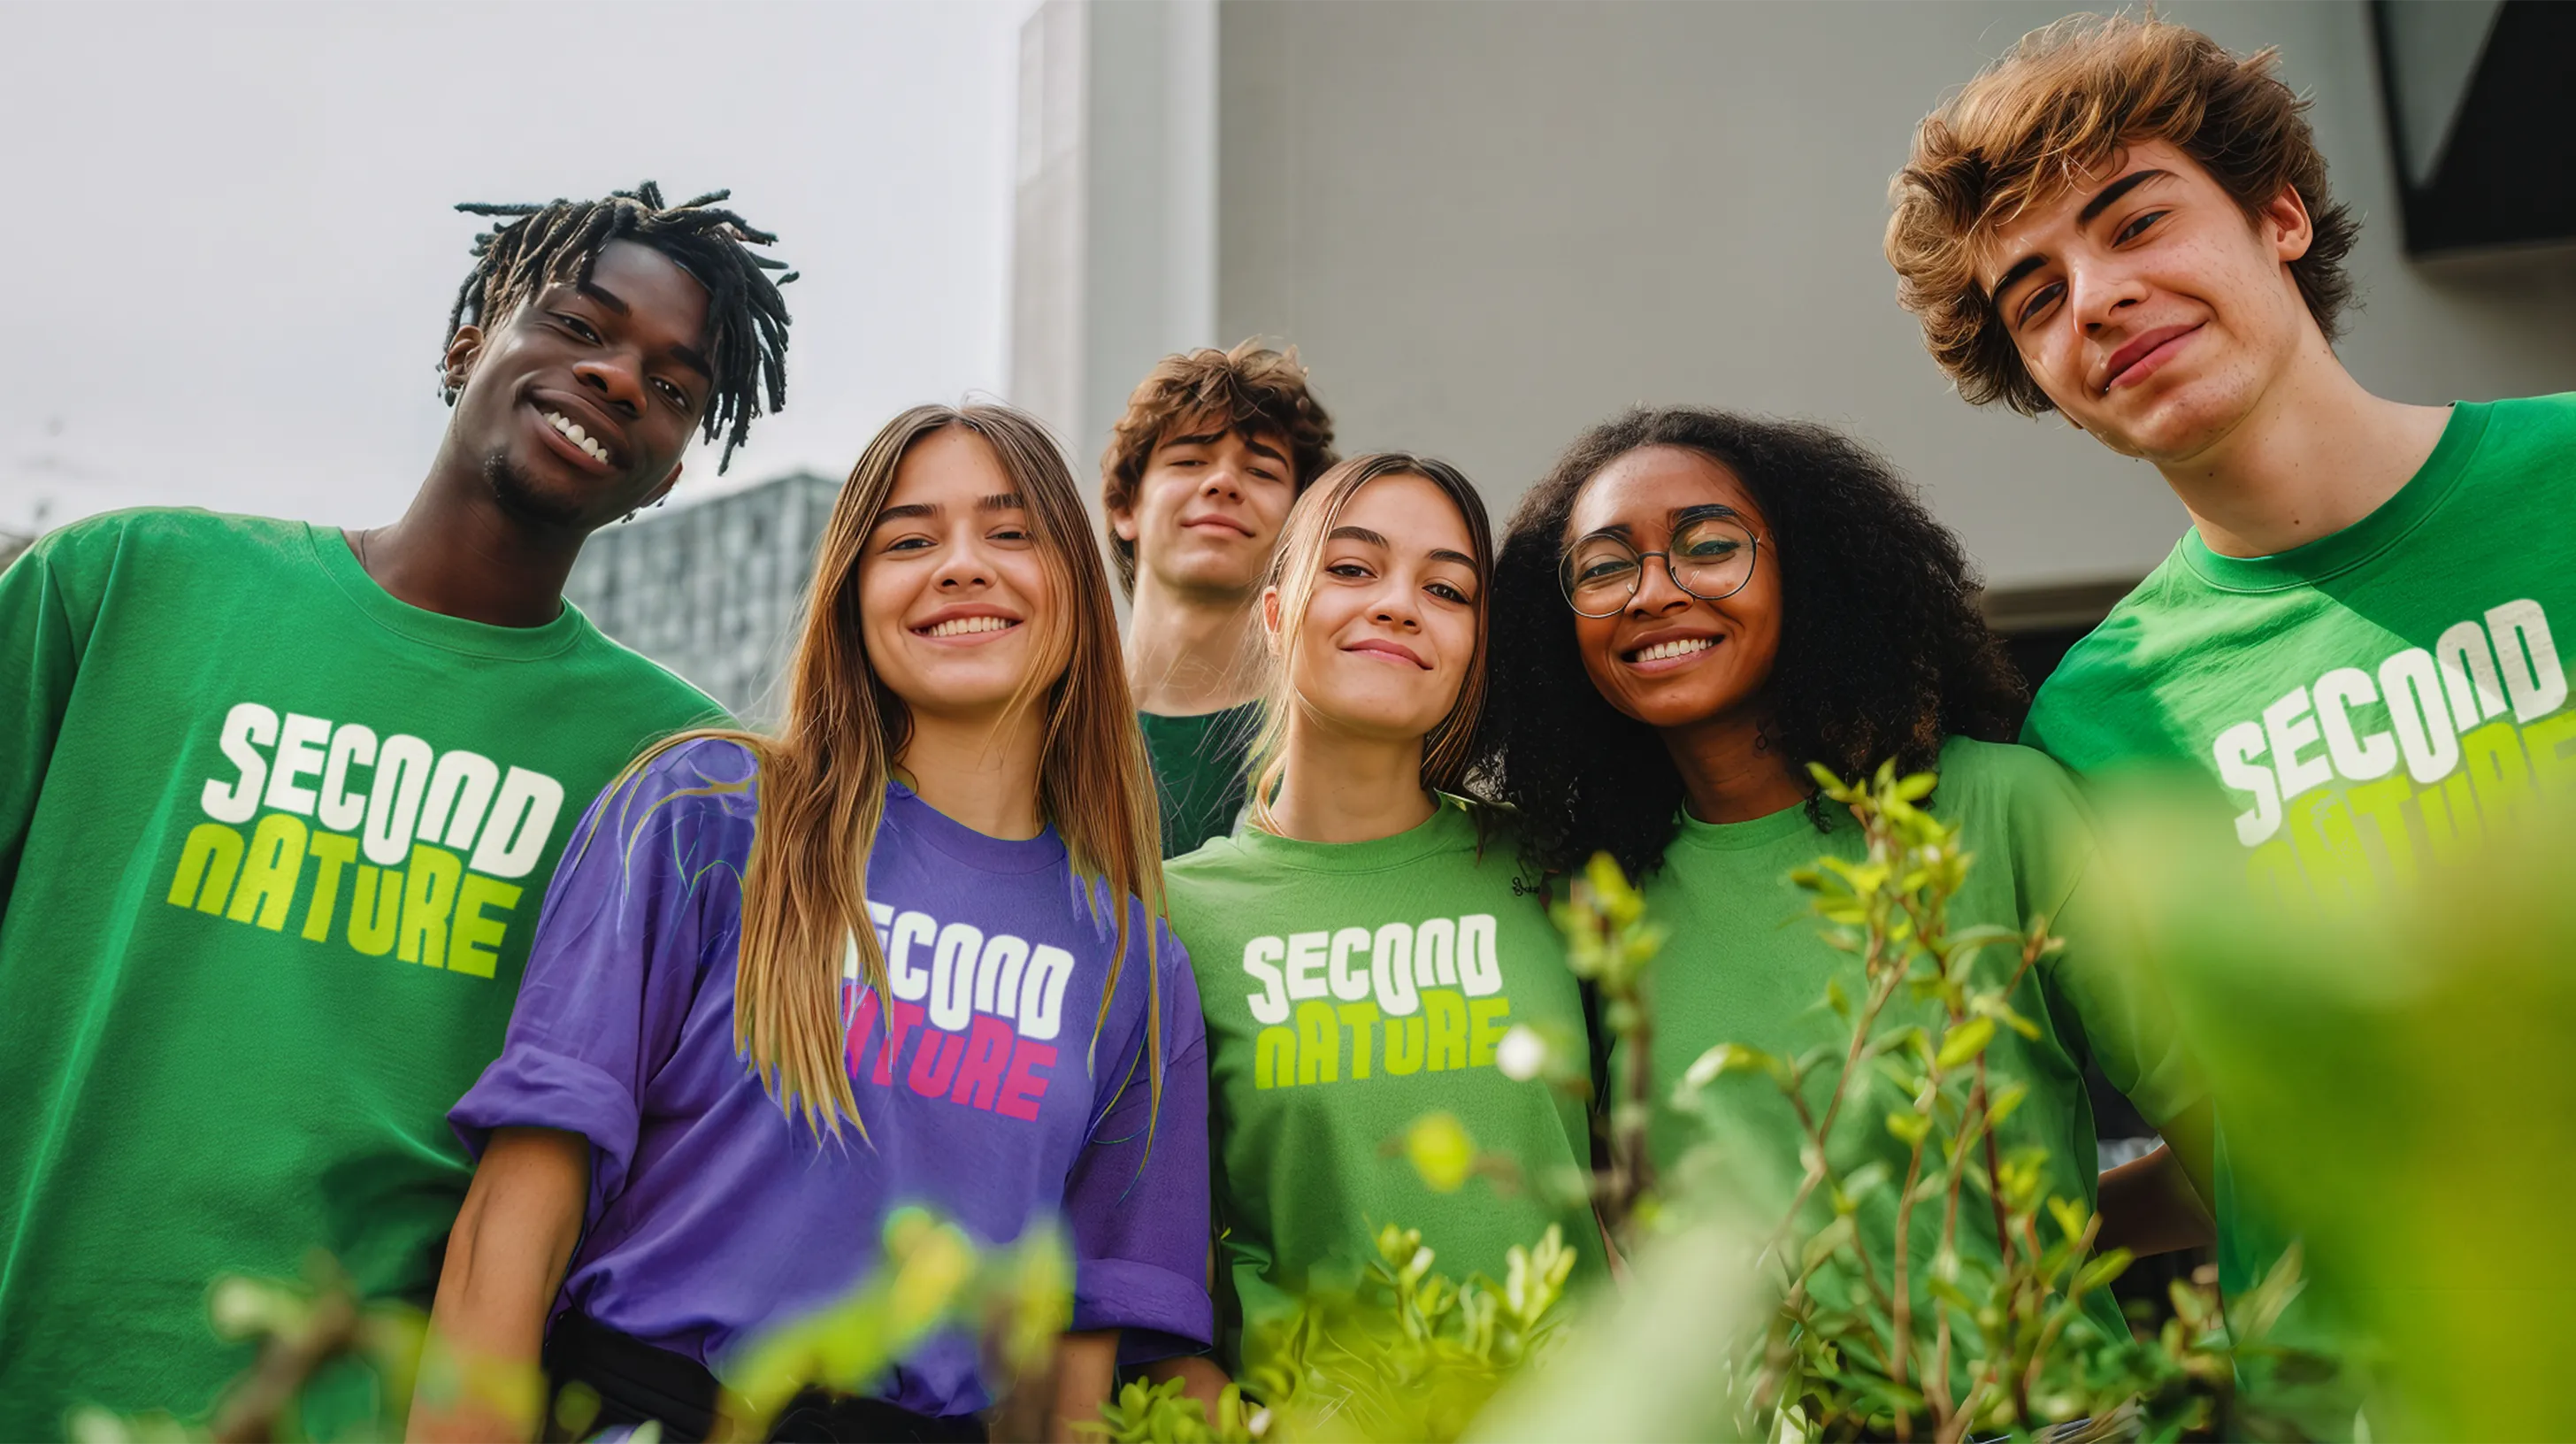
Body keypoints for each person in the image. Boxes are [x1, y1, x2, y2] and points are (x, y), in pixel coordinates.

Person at [0, 182, 787, 1436]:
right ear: (472, 336)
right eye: (579, 326)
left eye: (673, 386)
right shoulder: (127, 583)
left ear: (670, 473)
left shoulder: (682, 770)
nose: (621, 379)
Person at [1884, 12, 2575, 1345]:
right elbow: (2231, 1131)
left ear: (2281, 220)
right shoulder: (2094, 722)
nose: (2094, 297)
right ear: (2044, 381)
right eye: (2037, 294)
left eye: (2135, 223)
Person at [413, 404, 1210, 1444]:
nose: (961, 567)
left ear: (1075, 585)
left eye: (1010, 533)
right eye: (910, 540)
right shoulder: (705, 813)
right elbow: (519, 1213)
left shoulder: (1133, 969)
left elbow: (1075, 1381)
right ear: (850, 596)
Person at [1478, 406, 2198, 1372]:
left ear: (1804, 571)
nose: (1653, 592)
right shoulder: (1589, 897)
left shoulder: (1993, 807)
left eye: (1707, 546)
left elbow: (2227, 1139)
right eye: (1605, 568)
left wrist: (2019, 1252)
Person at [1160, 454, 1599, 1392]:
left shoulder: (1553, 874)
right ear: (1275, 618)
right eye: (1353, 569)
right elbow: (1157, 1294)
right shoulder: (1174, 917)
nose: (1398, 604)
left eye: (1445, 589)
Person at [1101, 341, 1338, 856]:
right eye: (1189, 460)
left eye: (1262, 471)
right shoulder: (1044, 727)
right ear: (1125, 505)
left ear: (1303, 527)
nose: (1224, 483)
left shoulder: (1334, 743)